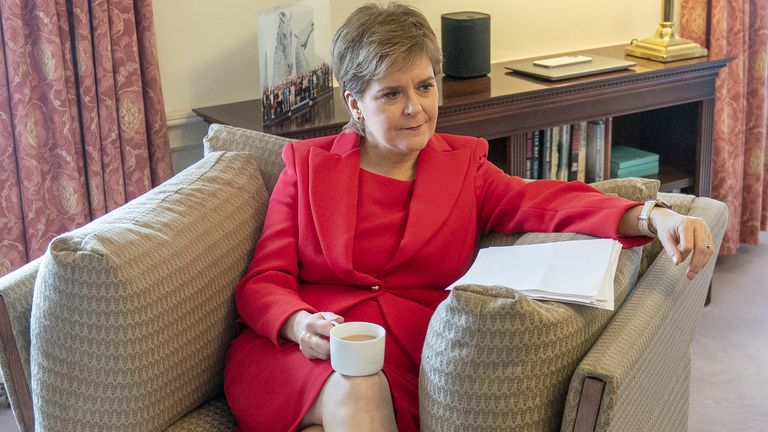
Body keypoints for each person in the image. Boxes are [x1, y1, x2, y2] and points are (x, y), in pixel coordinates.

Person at [223, 3, 715, 431]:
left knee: (359, 392)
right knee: (357, 389)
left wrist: (652, 216)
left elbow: (549, 202)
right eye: (391, 94)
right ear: (355, 103)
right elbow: (264, 280)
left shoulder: (464, 167)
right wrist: (298, 323)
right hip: (298, 353)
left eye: (424, 86)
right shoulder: (307, 168)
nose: (415, 108)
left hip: (408, 360)